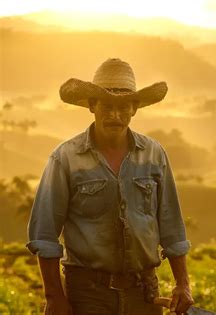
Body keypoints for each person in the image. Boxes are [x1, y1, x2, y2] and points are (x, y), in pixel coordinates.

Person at [26, 58, 194, 315]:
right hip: (88, 294)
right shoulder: (65, 158)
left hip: (144, 292)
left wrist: (183, 284)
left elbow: (171, 227)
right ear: (92, 106)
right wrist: (55, 297)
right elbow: (44, 233)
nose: (115, 115)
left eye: (123, 106)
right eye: (107, 105)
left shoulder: (154, 155)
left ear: (134, 108)